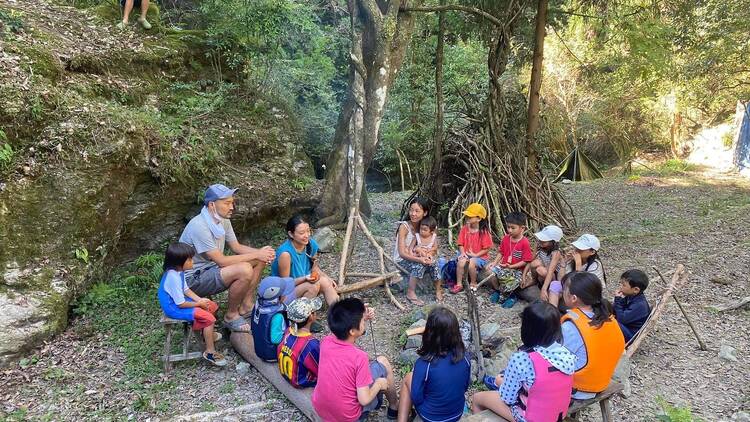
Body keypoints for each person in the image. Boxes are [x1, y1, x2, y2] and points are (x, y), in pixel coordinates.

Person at [179, 183, 276, 333]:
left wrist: (263, 254)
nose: (232, 207)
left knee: (259, 260)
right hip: (191, 280)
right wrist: (258, 253)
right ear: (212, 205)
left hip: (210, 269)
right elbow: (221, 261)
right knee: (244, 269)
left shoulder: (223, 220)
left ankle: (246, 305)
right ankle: (231, 316)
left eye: (232, 202)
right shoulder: (199, 226)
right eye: (227, 203)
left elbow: (236, 247)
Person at [472, 301, 575, 421]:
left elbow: (507, 398)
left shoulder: (522, 358)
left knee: (477, 398)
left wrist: (500, 382)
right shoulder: (566, 354)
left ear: (527, 329)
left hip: (529, 417)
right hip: (557, 415)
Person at [312, 298, 399, 421]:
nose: (364, 321)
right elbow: (364, 399)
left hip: (321, 408)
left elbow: (344, 329)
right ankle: (394, 407)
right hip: (348, 417)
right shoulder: (359, 357)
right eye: (363, 321)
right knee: (383, 361)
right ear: (352, 331)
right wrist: (379, 384)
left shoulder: (326, 341)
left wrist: (361, 317)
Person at [157, 242, 226, 366]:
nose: (192, 262)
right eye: (189, 260)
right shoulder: (173, 277)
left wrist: (201, 300)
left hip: (179, 302)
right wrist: (198, 304)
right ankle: (209, 352)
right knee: (209, 318)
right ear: (179, 262)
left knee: (211, 305)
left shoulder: (180, 272)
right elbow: (181, 304)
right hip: (173, 308)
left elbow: (186, 290)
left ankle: (207, 335)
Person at [397, 307, 470, 422]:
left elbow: (416, 398)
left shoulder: (424, 364)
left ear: (429, 334)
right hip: (456, 413)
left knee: (408, 378)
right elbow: (465, 386)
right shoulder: (465, 357)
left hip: (431, 417)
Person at [560, 272, 625, 399]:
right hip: (601, 382)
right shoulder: (609, 319)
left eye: (564, 290)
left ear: (573, 298)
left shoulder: (571, 327)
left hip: (578, 388)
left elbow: (557, 360)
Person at [271, 215, 339, 308]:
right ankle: (300, 318)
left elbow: (314, 268)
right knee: (312, 286)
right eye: (302, 232)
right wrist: (305, 279)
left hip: (304, 283)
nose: (306, 235)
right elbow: (285, 285)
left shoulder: (311, 245)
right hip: (284, 296)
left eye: (308, 231)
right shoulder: (285, 254)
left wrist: (327, 278)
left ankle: (341, 314)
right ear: (291, 234)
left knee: (325, 282)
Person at [487, 212, 533, 307]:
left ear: (522, 228)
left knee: (511, 281)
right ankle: (498, 290)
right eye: (508, 227)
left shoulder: (525, 242)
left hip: (517, 271)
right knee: (492, 274)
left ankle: (512, 296)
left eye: (513, 228)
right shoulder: (505, 238)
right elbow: (501, 252)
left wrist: (512, 267)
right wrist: (495, 263)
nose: (510, 230)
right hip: (504, 267)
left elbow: (527, 261)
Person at [278, 296, 323, 389]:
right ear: (311, 316)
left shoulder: (288, 331)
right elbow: (320, 370)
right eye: (314, 311)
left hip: (287, 373)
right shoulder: (311, 344)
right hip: (301, 381)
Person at [451, 203, 493, 293]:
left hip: (480, 257)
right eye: (467, 216)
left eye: (470, 217)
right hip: (466, 254)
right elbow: (460, 244)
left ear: (479, 218)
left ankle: (473, 283)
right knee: (461, 262)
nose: (467, 218)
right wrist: (462, 253)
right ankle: (459, 284)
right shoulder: (464, 229)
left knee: (471, 263)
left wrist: (476, 255)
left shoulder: (484, 232)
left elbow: (487, 248)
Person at [394, 198, 434, 291]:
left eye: (417, 211)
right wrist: (419, 259)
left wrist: (429, 255)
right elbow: (401, 254)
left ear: (425, 213)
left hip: (416, 256)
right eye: (411, 210)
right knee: (420, 265)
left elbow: (431, 247)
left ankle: (437, 290)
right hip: (401, 260)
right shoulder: (404, 227)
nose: (413, 214)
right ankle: (411, 293)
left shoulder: (425, 227)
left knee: (435, 263)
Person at [251, 276, 294, 362]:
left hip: (260, 349)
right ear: (278, 298)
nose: (286, 296)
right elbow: (276, 339)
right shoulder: (277, 316)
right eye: (284, 294)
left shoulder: (258, 306)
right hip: (272, 353)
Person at [405, 216, 443, 305]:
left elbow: (435, 248)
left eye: (425, 230)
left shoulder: (433, 237)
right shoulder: (417, 236)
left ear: (432, 231)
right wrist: (415, 254)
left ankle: (438, 290)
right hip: (418, 258)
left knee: (436, 266)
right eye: (421, 229)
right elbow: (410, 248)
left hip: (428, 258)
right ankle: (411, 291)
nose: (422, 231)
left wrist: (430, 253)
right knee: (418, 266)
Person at [525, 225, 564, 306]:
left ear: (553, 242)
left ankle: (549, 288)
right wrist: (535, 248)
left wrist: (543, 289)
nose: (540, 241)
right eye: (540, 239)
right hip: (545, 270)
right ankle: (534, 280)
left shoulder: (556, 252)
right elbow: (531, 259)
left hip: (554, 276)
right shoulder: (541, 246)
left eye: (544, 240)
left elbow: (551, 271)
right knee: (535, 263)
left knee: (540, 270)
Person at [613, 269, 651, 342]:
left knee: (611, 321)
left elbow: (622, 319)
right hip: (626, 326)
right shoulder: (631, 296)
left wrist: (617, 301)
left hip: (630, 335)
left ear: (636, 290)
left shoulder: (640, 305)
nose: (620, 286)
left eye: (623, 285)